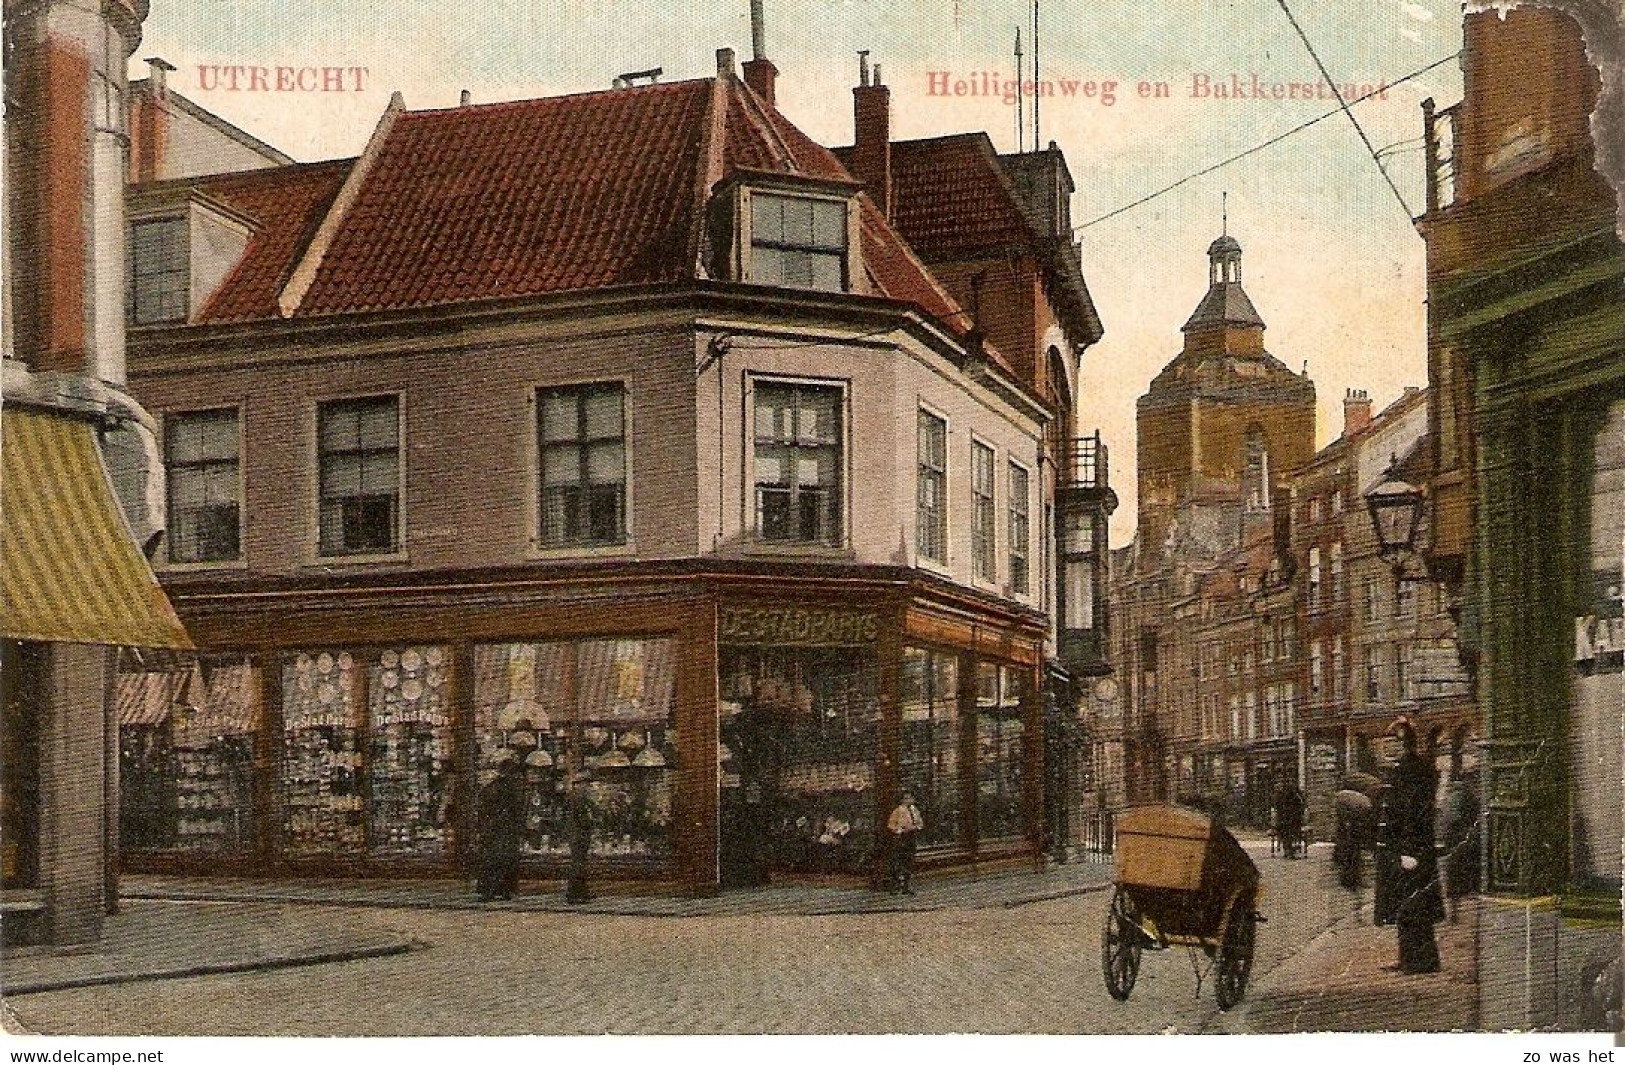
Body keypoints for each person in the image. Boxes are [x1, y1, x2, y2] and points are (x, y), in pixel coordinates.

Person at [1381, 716, 1444, 973]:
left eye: (1394, 743)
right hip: (1413, 846)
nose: (1390, 749)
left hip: (1411, 847)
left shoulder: (1408, 770)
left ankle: (1420, 961)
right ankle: (1411, 958)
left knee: (1412, 904)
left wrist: (1408, 850)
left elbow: (1411, 811)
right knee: (1410, 905)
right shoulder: (1414, 768)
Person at [474, 751, 525, 901]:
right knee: (505, 859)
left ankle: (489, 890)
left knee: (490, 860)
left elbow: (481, 807)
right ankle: (504, 890)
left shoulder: (490, 787)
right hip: (505, 829)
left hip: (491, 828)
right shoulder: (512, 788)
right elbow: (517, 808)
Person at [885, 790, 924, 895]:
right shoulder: (898, 811)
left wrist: (917, 827)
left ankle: (906, 885)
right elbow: (891, 824)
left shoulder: (914, 810)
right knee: (898, 861)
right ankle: (896, 885)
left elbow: (920, 822)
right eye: (906, 798)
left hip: (911, 835)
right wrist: (899, 831)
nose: (909, 800)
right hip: (901, 837)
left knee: (909, 861)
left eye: (910, 798)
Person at [565, 771, 595, 904]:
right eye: (586, 784)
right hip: (579, 835)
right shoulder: (579, 799)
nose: (588, 787)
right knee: (578, 864)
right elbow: (583, 820)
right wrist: (591, 823)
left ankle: (580, 892)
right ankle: (575, 893)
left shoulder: (574, 797)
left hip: (575, 834)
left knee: (578, 863)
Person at [1276, 780, 1306, 859]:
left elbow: (1277, 809)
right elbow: (1301, 808)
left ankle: (1288, 850)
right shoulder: (1297, 796)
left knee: (1287, 832)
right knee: (1293, 831)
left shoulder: (1281, 796)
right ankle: (1291, 849)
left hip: (1285, 821)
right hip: (1292, 821)